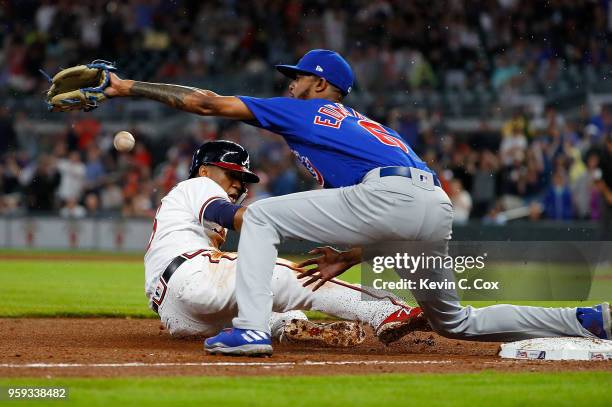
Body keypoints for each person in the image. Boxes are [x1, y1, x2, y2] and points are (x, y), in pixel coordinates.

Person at [98, 49, 609, 356]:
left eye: (295, 77)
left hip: (389, 196)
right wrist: (355, 253)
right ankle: (585, 318)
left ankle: (252, 330)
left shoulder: (309, 112)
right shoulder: (369, 127)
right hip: (431, 201)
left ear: (321, 85)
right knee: (454, 322)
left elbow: (206, 102)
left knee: (262, 219)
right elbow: (410, 204)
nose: (288, 85)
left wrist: (126, 87)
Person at [145, 140, 425, 354]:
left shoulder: (182, 207)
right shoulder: (197, 185)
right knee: (291, 276)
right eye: (230, 174)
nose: (237, 183)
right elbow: (238, 218)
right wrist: (297, 222)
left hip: (177, 315)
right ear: (204, 171)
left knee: (261, 307)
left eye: (241, 178)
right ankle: (386, 310)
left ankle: (289, 326)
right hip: (192, 276)